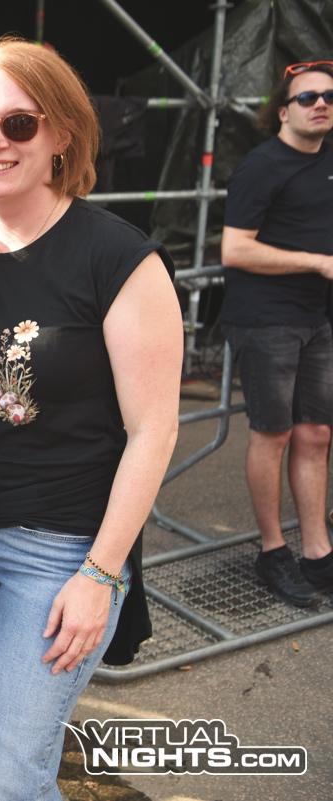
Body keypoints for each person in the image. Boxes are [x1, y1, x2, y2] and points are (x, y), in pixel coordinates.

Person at [0, 38, 181, 800]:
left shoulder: (119, 259)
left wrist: (100, 573)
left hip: (59, 555)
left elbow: (155, 430)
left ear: (62, 134)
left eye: (19, 123)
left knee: (6, 777)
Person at [219, 60, 333, 607]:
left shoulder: (327, 161)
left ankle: (317, 551)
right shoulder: (261, 166)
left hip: (315, 317)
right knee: (274, 434)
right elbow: (234, 249)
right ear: (283, 111)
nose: (321, 104)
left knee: (317, 434)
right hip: (265, 319)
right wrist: (317, 262)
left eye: (329, 96)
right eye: (307, 97)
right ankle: (273, 551)